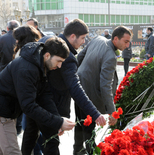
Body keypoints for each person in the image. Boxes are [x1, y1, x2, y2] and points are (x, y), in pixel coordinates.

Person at [21, 19, 107, 155]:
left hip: (33, 99)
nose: (84, 42)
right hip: (50, 106)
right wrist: (95, 114)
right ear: (72, 36)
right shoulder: (67, 58)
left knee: (30, 136)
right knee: (51, 143)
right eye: (83, 38)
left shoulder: (47, 40)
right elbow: (75, 87)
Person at [0, 34, 75, 155]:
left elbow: (44, 95)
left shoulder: (40, 63)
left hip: (7, 110)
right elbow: (28, 106)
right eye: (59, 61)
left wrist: (57, 120)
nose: (59, 66)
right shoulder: (27, 69)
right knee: (12, 152)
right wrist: (58, 122)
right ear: (47, 55)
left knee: (2, 150)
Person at [74, 26, 131, 154]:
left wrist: (77, 76)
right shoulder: (110, 56)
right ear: (115, 39)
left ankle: (77, 149)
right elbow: (105, 86)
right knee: (89, 128)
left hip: (79, 88)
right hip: (90, 96)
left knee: (79, 123)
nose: (128, 45)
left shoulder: (98, 39)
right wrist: (112, 112)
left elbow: (80, 57)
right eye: (126, 41)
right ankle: (90, 151)